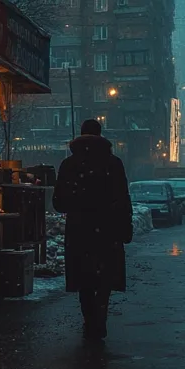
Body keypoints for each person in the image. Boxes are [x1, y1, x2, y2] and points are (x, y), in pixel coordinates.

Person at [53, 118, 133, 340]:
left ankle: (90, 321)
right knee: (104, 278)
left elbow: (59, 202)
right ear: (101, 135)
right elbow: (123, 199)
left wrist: (78, 204)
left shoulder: (69, 165)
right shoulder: (113, 163)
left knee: (84, 280)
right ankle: (100, 318)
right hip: (108, 231)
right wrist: (125, 227)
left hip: (80, 231)